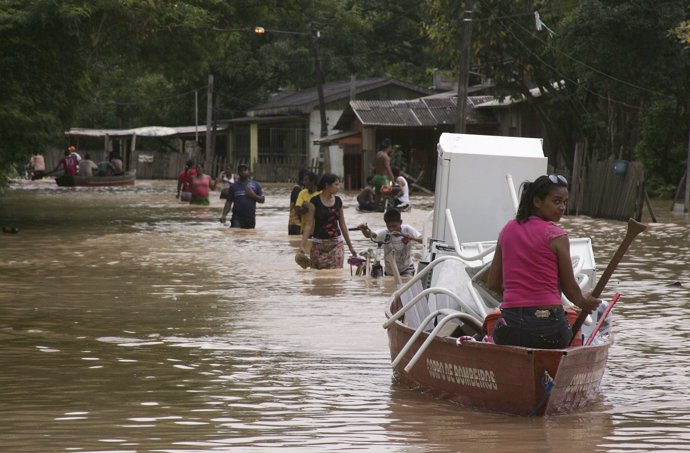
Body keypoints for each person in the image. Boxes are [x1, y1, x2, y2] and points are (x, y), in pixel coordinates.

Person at [485, 174, 601, 349]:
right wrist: (586, 302)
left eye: (565, 202)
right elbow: (570, 290)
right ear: (537, 202)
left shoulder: (507, 230)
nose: (562, 207)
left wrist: (518, 301)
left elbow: (493, 283)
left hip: (511, 328)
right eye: (556, 201)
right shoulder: (556, 236)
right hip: (550, 329)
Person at [298, 173, 357, 269]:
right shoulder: (314, 201)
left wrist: (351, 247)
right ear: (327, 185)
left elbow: (342, 225)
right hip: (318, 245)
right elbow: (309, 225)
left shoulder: (338, 201)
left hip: (336, 244)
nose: (339, 187)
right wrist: (302, 246)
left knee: (335, 277)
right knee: (318, 278)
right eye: (336, 184)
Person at [357, 208, 422, 276]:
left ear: (400, 222)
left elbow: (423, 239)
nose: (391, 229)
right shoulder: (384, 233)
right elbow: (370, 235)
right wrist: (364, 230)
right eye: (389, 226)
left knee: (405, 283)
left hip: (406, 269)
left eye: (394, 226)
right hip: (389, 271)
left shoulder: (408, 229)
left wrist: (412, 238)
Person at [220, 164, 265, 229]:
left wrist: (253, 195)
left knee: (249, 237)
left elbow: (262, 200)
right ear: (238, 172)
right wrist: (224, 215)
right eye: (241, 170)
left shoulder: (256, 184)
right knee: (236, 235)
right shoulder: (233, 186)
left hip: (250, 218)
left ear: (248, 172)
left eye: (245, 170)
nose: (243, 172)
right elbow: (229, 202)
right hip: (237, 217)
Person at [373, 138, 395, 208]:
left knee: (378, 196)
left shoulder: (378, 154)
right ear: (389, 147)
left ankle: (376, 209)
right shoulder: (386, 157)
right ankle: (384, 210)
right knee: (387, 195)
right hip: (383, 179)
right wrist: (392, 179)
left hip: (376, 178)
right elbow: (388, 169)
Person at [288, 169, 308, 235]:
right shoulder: (297, 189)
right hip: (295, 223)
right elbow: (296, 207)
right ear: (303, 179)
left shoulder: (304, 190)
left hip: (301, 223)